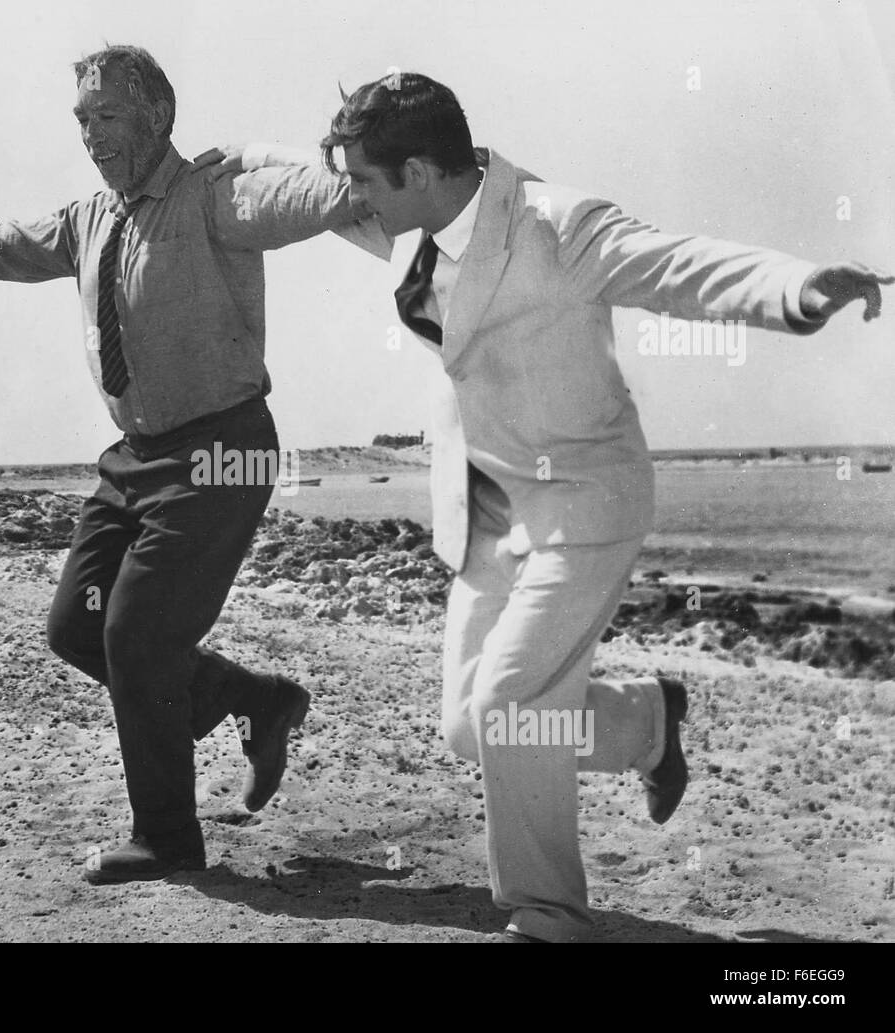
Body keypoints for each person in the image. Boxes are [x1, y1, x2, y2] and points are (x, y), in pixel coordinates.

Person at [215, 72, 889, 941]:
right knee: (474, 726)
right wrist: (235, 155)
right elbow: (301, 170)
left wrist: (798, 287)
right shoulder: (402, 218)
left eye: (364, 182)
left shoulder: (557, 223)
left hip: (583, 498)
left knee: (507, 706)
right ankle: (647, 721)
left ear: (420, 171)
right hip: (488, 509)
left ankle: (546, 913)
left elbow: (680, 265)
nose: (349, 200)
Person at [0, 45, 388, 884]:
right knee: (77, 628)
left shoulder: (217, 197)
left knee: (138, 633)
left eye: (109, 118)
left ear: (157, 117)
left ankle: (167, 837)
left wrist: (381, 176)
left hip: (220, 450)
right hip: (133, 458)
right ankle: (253, 699)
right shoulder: (90, 218)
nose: (93, 136)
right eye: (83, 121)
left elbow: (309, 198)